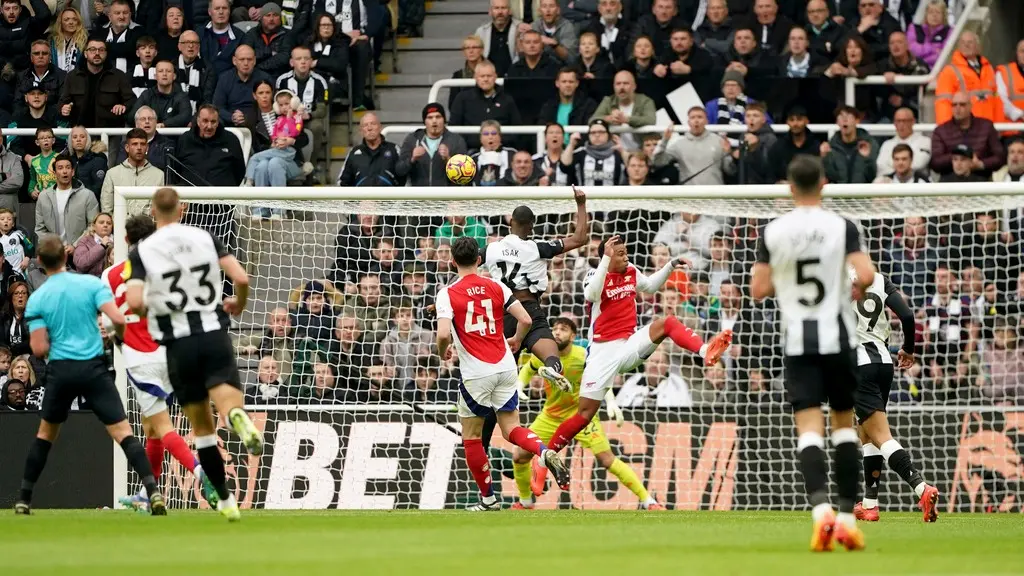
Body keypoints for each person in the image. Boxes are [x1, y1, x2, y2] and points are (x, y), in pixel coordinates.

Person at [749, 155, 876, 551]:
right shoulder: (842, 227)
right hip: (838, 340)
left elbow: (758, 290)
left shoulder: (773, 231)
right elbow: (867, 276)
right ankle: (846, 519)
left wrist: (784, 278)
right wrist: (853, 286)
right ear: (823, 184)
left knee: (808, 430)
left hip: (798, 343)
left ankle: (819, 512)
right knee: (843, 428)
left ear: (789, 187)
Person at [540, 234, 732, 490]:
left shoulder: (630, 270)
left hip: (629, 344)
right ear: (607, 256)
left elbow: (650, 287)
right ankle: (546, 460)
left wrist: (670, 265)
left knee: (667, 322)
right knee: (585, 415)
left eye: (626, 251)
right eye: (620, 253)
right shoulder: (594, 276)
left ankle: (706, 350)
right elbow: (591, 293)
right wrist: (607, 258)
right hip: (602, 353)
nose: (626, 256)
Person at [123, 187, 262, 521]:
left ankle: (227, 503)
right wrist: (238, 303)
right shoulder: (204, 237)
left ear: (154, 211)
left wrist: (154, 309)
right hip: (214, 334)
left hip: (178, 344)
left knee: (202, 430)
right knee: (227, 405)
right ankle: (236, 418)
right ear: (182, 209)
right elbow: (241, 277)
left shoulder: (143, 251)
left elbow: (135, 301)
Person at [14, 234, 165, 516]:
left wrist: (54, 345)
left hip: (61, 370)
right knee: (123, 432)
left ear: (41, 263)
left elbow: (36, 347)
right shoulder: (89, 284)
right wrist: (114, 340)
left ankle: (24, 498)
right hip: (94, 368)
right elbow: (118, 319)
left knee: (45, 434)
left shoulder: (39, 298)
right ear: (65, 256)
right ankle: (153, 493)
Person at [435, 236, 571, 511]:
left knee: (472, 437)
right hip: (506, 366)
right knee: (512, 429)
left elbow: (442, 334)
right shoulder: (497, 285)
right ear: (478, 260)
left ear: (452, 262)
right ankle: (544, 452)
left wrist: (443, 351)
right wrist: (517, 340)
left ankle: (488, 500)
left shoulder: (447, 293)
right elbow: (526, 319)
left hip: (476, 373)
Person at [105, 213, 218, 511]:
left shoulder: (111, 274)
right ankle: (149, 494)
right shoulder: (166, 269)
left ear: (126, 239)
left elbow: (110, 321)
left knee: (162, 426)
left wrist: (121, 342)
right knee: (151, 427)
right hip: (171, 352)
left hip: (140, 358)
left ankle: (200, 470)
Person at [511, 316, 662, 510]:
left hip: (581, 416)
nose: (557, 332)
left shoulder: (583, 356)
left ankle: (648, 501)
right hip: (551, 416)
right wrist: (520, 385)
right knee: (520, 456)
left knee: (607, 459)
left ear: (573, 335)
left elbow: (601, 378)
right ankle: (525, 501)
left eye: (563, 329)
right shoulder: (544, 353)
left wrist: (611, 402)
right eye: (555, 328)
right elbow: (528, 369)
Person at [847, 267, 940, 523]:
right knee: (866, 431)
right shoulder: (877, 279)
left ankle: (922, 488)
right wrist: (909, 349)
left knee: (879, 435)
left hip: (857, 364)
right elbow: (908, 316)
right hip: (884, 362)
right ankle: (870, 504)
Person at [58, 37, 135, 128]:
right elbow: (62, 102)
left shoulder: (118, 76)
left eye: (101, 50)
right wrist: (63, 108)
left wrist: (123, 106)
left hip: (110, 131)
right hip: (80, 132)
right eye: (92, 50)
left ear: (106, 53)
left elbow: (131, 100)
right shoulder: (73, 76)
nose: (97, 53)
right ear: (85, 54)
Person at [242, 89, 308, 188]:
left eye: (267, 92)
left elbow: (303, 138)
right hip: (272, 152)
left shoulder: (296, 118)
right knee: (262, 165)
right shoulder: (277, 119)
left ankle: (278, 201)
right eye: (281, 105)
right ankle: (259, 200)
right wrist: (273, 143)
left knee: (274, 162)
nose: (264, 96)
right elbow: (271, 137)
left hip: (291, 158)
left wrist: (292, 141)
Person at [35, 153, 98, 257]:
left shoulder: (87, 195)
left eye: (68, 168)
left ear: (72, 172)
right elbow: (40, 229)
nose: (64, 171)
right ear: (54, 173)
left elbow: (92, 226)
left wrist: (75, 246)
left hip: (80, 253)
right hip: (53, 253)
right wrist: (53, 248)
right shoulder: (43, 197)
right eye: (60, 168)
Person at [396, 102, 468, 187]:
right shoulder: (412, 140)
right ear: (424, 121)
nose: (434, 121)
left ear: (444, 120)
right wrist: (412, 159)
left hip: (447, 197)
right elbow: (399, 171)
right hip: (419, 197)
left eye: (438, 117)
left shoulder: (456, 141)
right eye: (430, 117)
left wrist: (448, 160)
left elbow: (464, 177)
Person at [100, 128, 165, 215]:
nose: (139, 148)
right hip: (119, 226)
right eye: (134, 144)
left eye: (142, 144)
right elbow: (106, 208)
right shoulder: (112, 174)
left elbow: (160, 209)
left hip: (148, 226)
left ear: (147, 148)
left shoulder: (159, 175)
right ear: (127, 147)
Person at [337, 112, 400, 186]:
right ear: (361, 131)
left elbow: (404, 178)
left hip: (389, 197)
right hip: (360, 197)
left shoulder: (394, 149)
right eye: (365, 125)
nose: (369, 128)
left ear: (380, 127)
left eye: (373, 124)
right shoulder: (353, 153)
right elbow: (342, 183)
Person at [131, 60, 192, 127]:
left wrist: (165, 124)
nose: (164, 74)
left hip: (173, 136)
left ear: (174, 76)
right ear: (155, 76)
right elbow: (132, 116)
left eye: (168, 71)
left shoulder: (182, 96)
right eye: (160, 71)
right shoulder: (147, 95)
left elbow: (186, 116)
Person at [72, 212, 112, 276]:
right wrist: (102, 246)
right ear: (93, 226)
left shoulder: (118, 241)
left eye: (109, 223)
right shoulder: (84, 241)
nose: (105, 225)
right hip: (90, 281)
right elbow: (80, 263)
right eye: (101, 222)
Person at [48, 7, 87, 74]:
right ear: (61, 23)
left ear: (78, 22)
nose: (71, 22)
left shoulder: (85, 41)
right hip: (56, 80)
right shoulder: (52, 42)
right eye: (67, 19)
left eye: (74, 19)